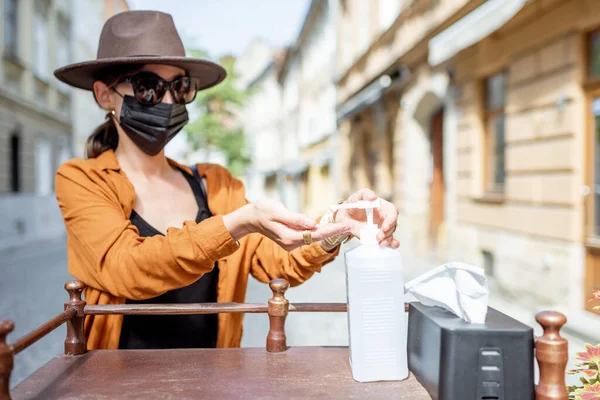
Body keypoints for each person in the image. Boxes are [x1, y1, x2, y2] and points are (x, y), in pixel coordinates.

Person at [53, 10, 400, 350]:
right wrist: (236, 224)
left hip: (213, 382)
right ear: (104, 95)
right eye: (149, 88)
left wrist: (337, 224)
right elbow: (126, 268)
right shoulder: (82, 180)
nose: (170, 99)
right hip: (115, 384)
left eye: (181, 86)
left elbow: (281, 261)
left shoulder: (215, 184)